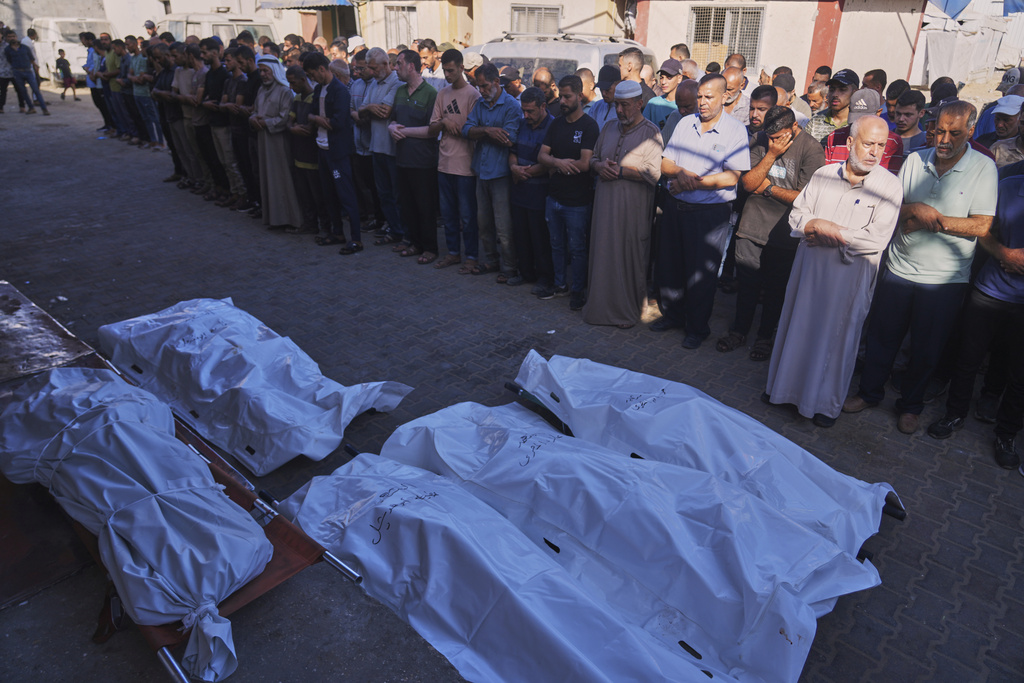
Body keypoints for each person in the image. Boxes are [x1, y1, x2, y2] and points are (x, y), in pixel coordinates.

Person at [845, 102, 998, 434]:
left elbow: (982, 226)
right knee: (881, 338)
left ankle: (910, 406)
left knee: (926, 349)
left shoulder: (984, 168)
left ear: (970, 131)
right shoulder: (915, 160)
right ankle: (868, 393)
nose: (943, 140)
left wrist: (933, 218)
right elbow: (894, 207)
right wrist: (913, 207)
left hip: (944, 280)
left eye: (953, 133)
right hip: (899, 269)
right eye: (939, 130)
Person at [764, 116, 903, 427]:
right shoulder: (824, 175)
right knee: (797, 328)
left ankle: (823, 406)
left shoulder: (889, 187)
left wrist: (831, 231)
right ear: (850, 143)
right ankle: (780, 391)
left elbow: (878, 238)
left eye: (881, 146)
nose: (874, 152)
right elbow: (799, 214)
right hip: (809, 272)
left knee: (836, 340)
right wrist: (813, 225)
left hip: (848, 279)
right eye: (868, 144)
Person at [926, 173, 1024, 469]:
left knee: (1019, 376)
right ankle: (954, 413)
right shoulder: (1007, 187)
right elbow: (983, 229)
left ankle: (1006, 435)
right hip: (990, 292)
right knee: (967, 360)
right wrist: (1004, 253)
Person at [717, 105, 826, 361]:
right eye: (771, 137)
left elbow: (805, 197)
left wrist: (768, 190)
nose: (774, 141)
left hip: (785, 234)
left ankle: (765, 338)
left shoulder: (811, 149)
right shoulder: (760, 139)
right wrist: (771, 154)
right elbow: (748, 183)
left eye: (780, 137)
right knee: (747, 287)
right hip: (751, 228)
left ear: (795, 128)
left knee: (776, 290)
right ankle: (738, 331)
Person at [655, 73, 750, 348]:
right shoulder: (686, 124)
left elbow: (732, 177)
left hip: (709, 215)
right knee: (671, 265)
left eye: (709, 97)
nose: (702, 102)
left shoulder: (735, 131)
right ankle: (672, 315)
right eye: (699, 97)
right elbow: (666, 163)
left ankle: (697, 328)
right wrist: (682, 173)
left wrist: (692, 183)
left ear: (725, 97)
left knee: (701, 274)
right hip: (677, 208)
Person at [584, 79, 664, 328]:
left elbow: (654, 173)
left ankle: (626, 311)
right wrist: (598, 166)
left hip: (633, 211)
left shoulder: (651, 132)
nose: (619, 111)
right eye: (617, 105)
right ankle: (599, 308)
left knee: (629, 257)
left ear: (640, 104)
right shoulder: (608, 127)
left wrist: (619, 171)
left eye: (625, 105)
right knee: (603, 253)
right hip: (605, 207)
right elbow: (594, 159)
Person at [539, 74, 601, 310]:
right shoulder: (556, 123)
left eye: (567, 97)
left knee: (577, 248)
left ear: (579, 96)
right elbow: (542, 155)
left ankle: (578, 290)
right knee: (556, 245)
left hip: (577, 202)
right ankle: (559, 285)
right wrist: (558, 163)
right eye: (561, 96)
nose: (562, 101)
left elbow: (586, 164)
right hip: (553, 197)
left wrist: (559, 163)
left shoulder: (589, 126)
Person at [463, 62, 522, 279]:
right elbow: (467, 130)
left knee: (504, 226)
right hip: (482, 171)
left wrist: (486, 133)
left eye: (486, 86)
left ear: (497, 82)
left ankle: (509, 267)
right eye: (479, 86)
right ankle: (491, 260)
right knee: (483, 222)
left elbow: (510, 138)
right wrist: (488, 130)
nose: (482, 90)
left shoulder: (511, 106)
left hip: (501, 174)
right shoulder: (480, 104)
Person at [302, 52, 365, 253]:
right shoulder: (319, 89)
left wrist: (316, 119)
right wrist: (318, 119)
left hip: (338, 152)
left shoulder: (339, 91)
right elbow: (310, 113)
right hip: (322, 149)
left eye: (313, 74)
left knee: (346, 195)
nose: (312, 79)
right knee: (328, 194)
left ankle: (356, 239)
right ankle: (337, 232)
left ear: (322, 69)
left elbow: (338, 122)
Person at [429, 48, 480, 272]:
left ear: (461, 68)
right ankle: (452, 253)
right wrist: (443, 124)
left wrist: (451, 125)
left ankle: (471, 256)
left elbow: (473, 131)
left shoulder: (473, 95)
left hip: (465, 166)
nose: (447, 75)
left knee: (468, 217)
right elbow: (432, 128)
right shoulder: (442, 93)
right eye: (445, 70)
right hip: (444, 164)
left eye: (451, 70)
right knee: (448, 214)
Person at [388, 49, 440, 263]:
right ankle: (414, 243)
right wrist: (391, 128)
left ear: (411, 66)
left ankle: (430, 248)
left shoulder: (430, 93)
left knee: (425, 206)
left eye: (399, 63)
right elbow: (392, 120)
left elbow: (432, 130)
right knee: (407, 205)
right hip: (402, 159)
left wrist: (404, 131)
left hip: (423, 162)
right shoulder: (400, 92)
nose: (395, 68)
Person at [509, 87, 555, 295]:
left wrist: (526, 172)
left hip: (540, 194)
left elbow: (549, 163)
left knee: (540, 238)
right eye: (524, 111)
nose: (526, 115)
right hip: (520, 191)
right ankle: (525, 272)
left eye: (530, 111)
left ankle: (545, 278)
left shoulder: (553, 127)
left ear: (543, 106)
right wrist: (514, 168)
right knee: (521, 235)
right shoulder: (521, 123)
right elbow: (513, 151)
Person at [251, 55, 304, 230]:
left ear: (274, 71)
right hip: (263, 139)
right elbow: (255, 111)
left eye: (266, 71)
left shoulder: (285, 91)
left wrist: (266, 122)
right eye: (261, 71)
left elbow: (284, 118)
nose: (264, 74)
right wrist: (253, 119)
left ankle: (289, 218)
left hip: (278, 141)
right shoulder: (261, 90)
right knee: (267, 178)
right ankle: (274, 218)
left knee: (281, 179)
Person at [360, 47, 405, 246]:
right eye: (369, 68)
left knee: (397, 193)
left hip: (392, 149)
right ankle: (394, 229)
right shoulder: (373, 84)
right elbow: (361, 111)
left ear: (386, 65)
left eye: (373, 67)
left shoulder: (396, 82)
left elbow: (384, 112)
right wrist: (369, 108)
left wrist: (368, 109)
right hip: (376, 147)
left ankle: (402, 231)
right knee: (383, 193)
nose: (370, 71)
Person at [285, 64, 326, 235]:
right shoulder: (297, 99)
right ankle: (310, 224)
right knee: (304, 194)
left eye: (293, 83)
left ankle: (324, 226)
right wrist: (291, 128)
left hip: (312, 155)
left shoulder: (314, 98)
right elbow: (289, 121)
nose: (291, 87)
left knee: (318, 195)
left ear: (303, 80)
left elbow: (310, 128)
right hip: (299, 154)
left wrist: (296, 127)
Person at [821, 88, 905, 173]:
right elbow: (827, 174)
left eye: (880, 145)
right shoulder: (834, 137)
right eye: (856, 119)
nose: (860, 124)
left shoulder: (892, 141)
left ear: (878, 113)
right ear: (849, 110)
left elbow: (889, 178)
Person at [805, 68, 859, 142]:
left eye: (842, 89)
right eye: (832, 90)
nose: (835, 94)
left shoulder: (859, 124)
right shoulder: (815, 122)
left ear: (855, 93)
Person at [4, 31, 48, 115]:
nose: (11, 38)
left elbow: (31, 59)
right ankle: (31, 107)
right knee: (23, 91)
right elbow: (9, 60)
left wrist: (35, 67)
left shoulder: (24, 48)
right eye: (9, 37)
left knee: (36, 90)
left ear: (16, 37)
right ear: (6, 38)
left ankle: (44, 108)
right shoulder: (7, 50)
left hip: (28, 71)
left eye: (13, 36)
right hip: (17, 72)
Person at [642, 59, 683, 130]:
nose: (663, 82)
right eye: (661, 77)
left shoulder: (685, 105)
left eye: (669, 78)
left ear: (679, 78)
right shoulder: (653, 103)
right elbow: (643, 128)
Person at [659, 78, 698, 145]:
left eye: (687, 106)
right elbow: (662, 146)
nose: (681, 111)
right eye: (679, 106)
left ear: (699, 101)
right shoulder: (675, 116)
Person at [588, 64, 620, 130]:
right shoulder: (596, 107)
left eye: (607, 89)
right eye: (601, 89)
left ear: (618, 84)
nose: (603, 93)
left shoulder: (625, 109)